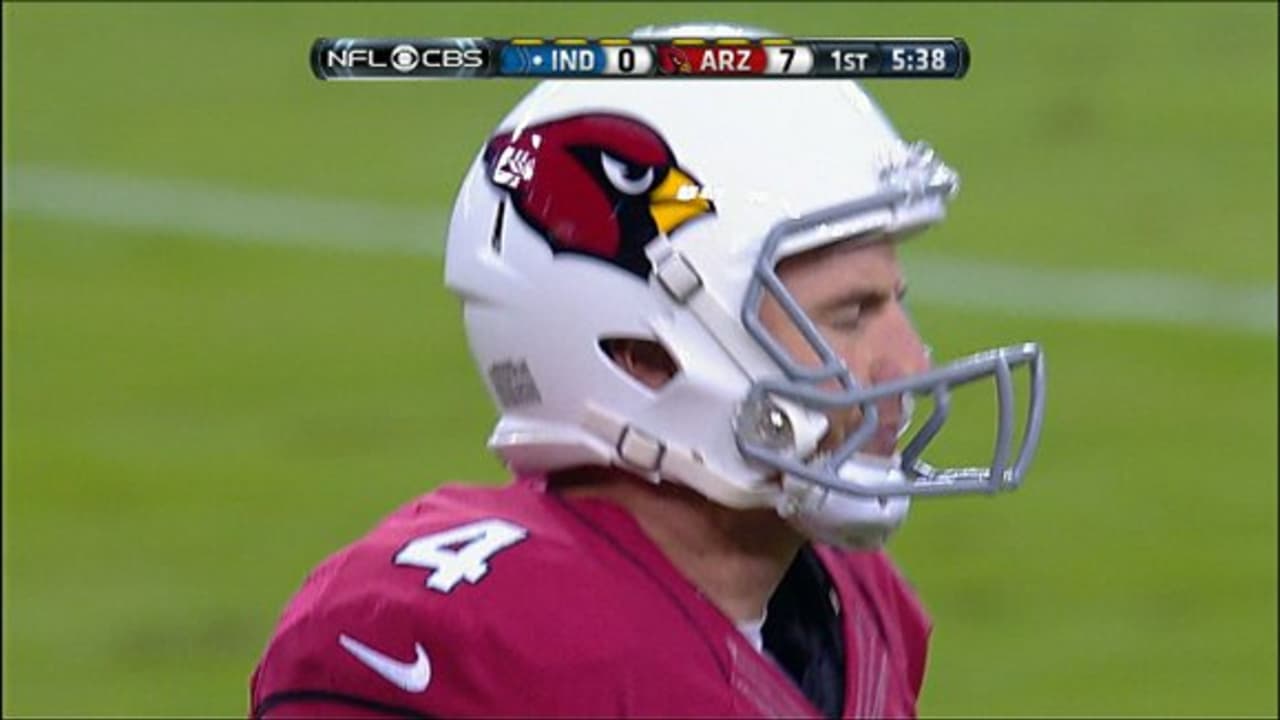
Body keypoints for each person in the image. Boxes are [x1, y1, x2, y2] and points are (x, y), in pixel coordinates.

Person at [250, 23, 1046, 719]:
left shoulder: (857, 608)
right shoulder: (456, 639)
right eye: (848, 315)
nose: (909, 360)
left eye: (896, 302)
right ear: (642, 354)